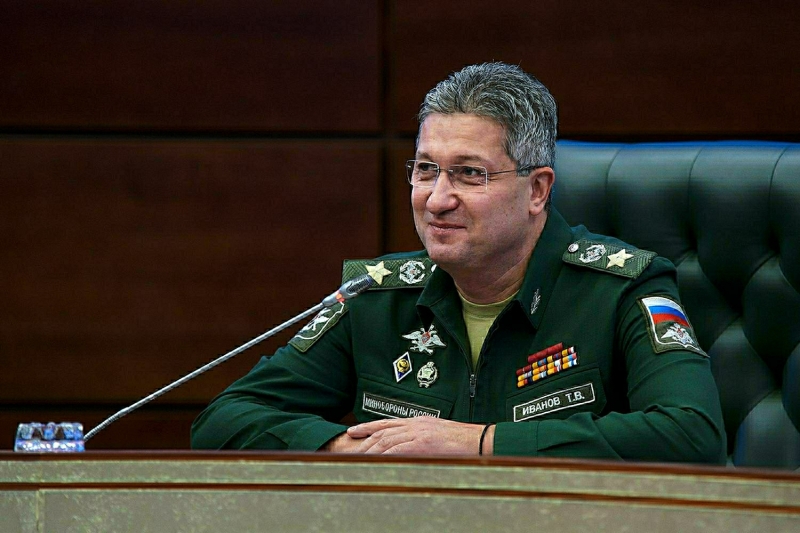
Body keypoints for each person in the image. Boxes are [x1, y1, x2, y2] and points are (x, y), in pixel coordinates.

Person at [191, 62, 726, 462]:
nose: (437, 199)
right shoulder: (375, 297)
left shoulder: (622, 288)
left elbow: (692, 435)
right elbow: (222, 422)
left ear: (537, 190)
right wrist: (349, 450)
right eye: (426, 170)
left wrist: (480, 444)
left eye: (470, 174)